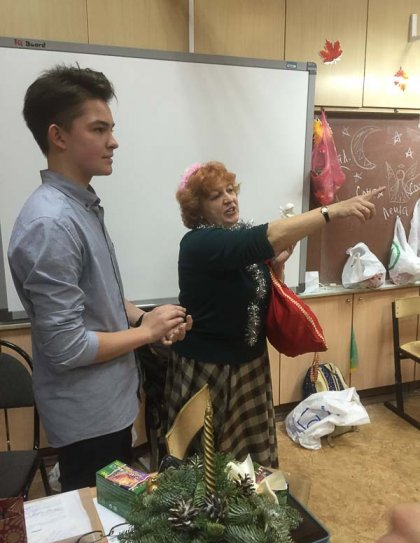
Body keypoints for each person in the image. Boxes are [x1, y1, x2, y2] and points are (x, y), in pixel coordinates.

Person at [7, 64, 192, 491]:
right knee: (98, 517)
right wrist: (146, 334)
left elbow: (100, 294)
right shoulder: (51, 223)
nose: (113, 141)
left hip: (110, 402)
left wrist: (143, 317)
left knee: (114, 507)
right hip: (88, 417)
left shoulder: (80, 205)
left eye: (111, 129)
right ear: (58, 136)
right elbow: (68, 346)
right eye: (98, 129)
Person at [165, 160, 385, 467]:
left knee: (248, 461)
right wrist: (333, 210)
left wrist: (277, 266)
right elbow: (268, 236)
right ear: (198, 208)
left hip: (248, 364)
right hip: (210, 369)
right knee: (206, 465)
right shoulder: (199, 243)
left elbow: (258, 292)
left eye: (230, 190)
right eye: (216, 196)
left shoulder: (236, 235)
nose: (229, 198)